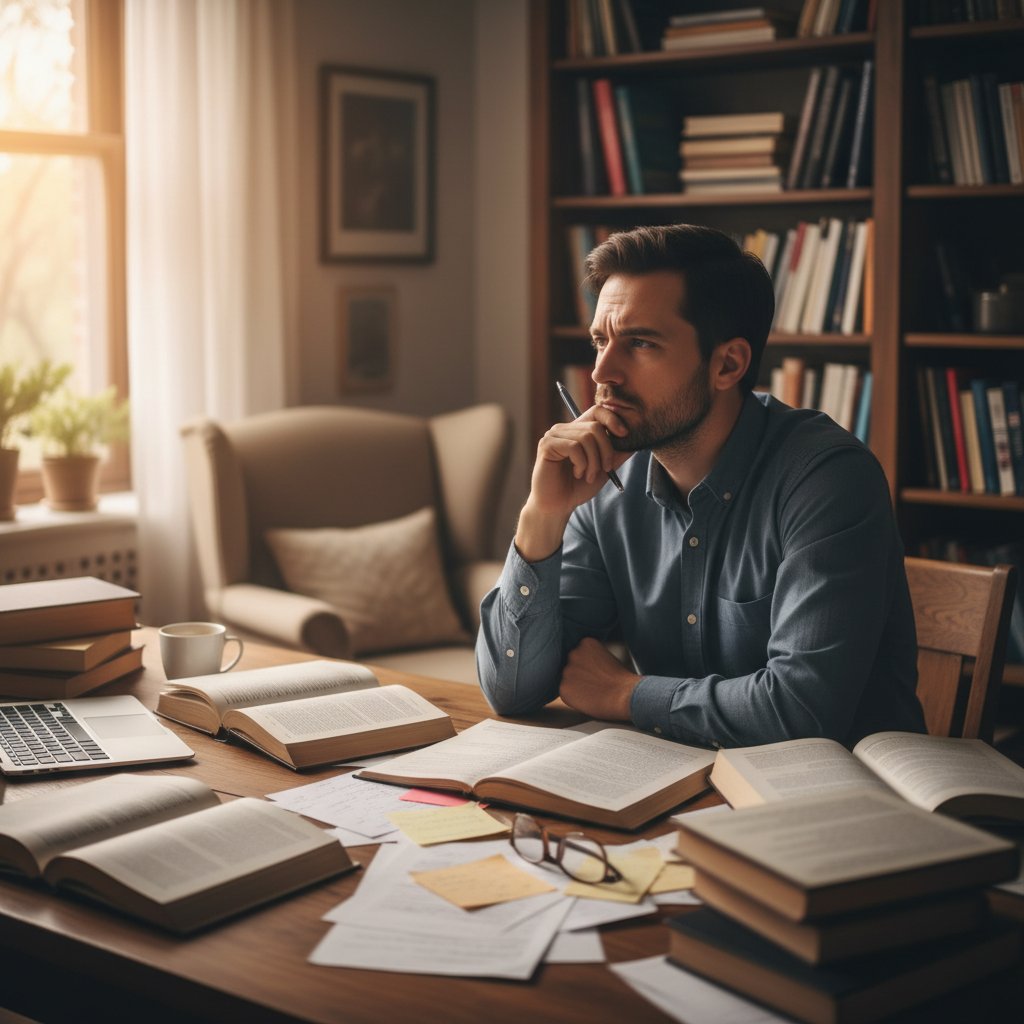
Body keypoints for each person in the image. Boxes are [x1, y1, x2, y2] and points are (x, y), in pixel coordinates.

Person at [477, 224, 925, 749]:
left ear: (728, 364)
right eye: (601, 340)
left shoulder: (827, 478)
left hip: (839, 799)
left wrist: (626, 693)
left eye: (640, 343)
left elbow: (801, 712)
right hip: (680, 785)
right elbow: (512, 690)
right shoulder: (603, 479)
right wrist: (541, 515)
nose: (602, 371)